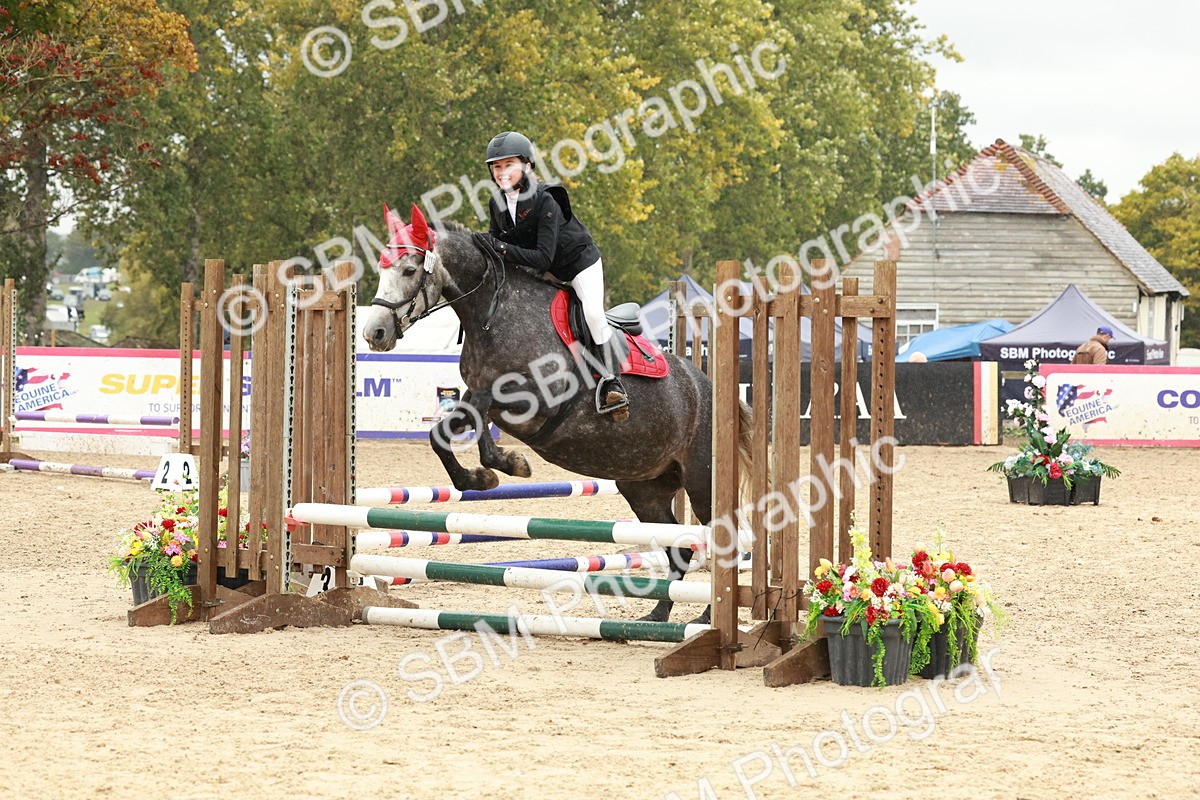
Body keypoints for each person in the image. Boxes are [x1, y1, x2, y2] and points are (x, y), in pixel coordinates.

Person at [483, 130, 628, 418]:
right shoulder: (496, 203)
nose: (501, 172)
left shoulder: (545, 200)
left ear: (527, 166)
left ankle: (613, 383)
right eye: (496, 167)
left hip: (578, 265)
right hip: (546, 270)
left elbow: (541, 257)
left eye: (508, 165)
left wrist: (498, 247)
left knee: (593, 314)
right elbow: (497, 249)